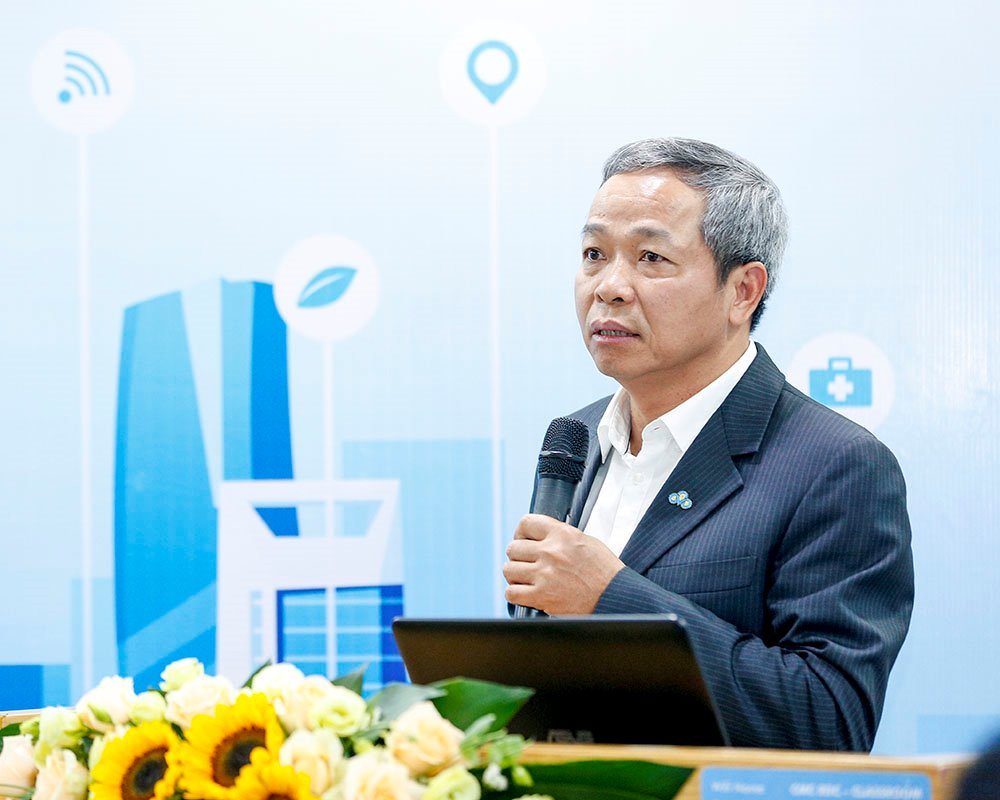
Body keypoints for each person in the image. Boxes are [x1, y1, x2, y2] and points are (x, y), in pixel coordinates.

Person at [503, 138, 914, 751]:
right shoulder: (576, 440)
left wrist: (612, 598)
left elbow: (829, 721)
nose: (609, 287)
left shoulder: (837, 465)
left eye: (650, 257)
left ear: (743, 291)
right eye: (594, 254)